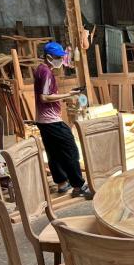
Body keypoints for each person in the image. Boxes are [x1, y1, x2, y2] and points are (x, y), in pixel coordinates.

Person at [34, 41, 92, 198]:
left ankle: (62, 182)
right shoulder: (46, 72)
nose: (60, 60)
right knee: (70, 150)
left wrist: (65, 95)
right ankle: (78, 186)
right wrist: (68, 95)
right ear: (49, 57)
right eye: (58, 57)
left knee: (53, 152)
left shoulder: (40, 69)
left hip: (42, 120)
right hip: (51, 120)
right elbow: (44, 97)